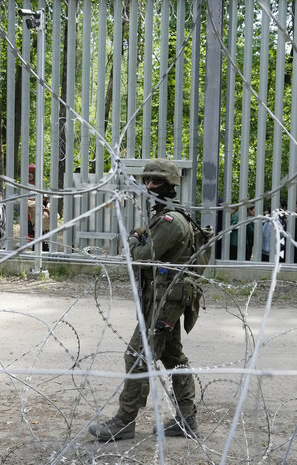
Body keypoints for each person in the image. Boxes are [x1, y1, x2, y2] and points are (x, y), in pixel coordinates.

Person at [89, 158, 201, 441]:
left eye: (157, 182)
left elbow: (141, 257)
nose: (150, 185)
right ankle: (187, 420)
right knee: (173, 357)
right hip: (165, 297)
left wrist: (134, 241)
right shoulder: (165, 216)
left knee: (138, 355)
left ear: (170, 185)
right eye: (148, 181)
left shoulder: (171, 220)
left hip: (166, 300)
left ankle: (125, 422)